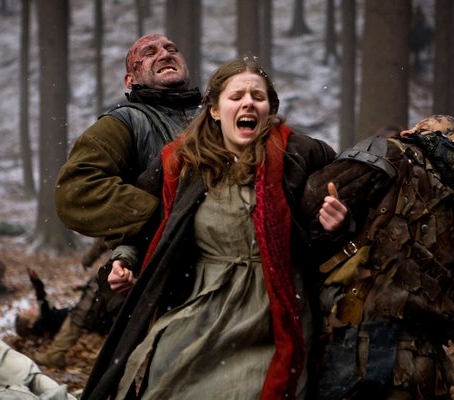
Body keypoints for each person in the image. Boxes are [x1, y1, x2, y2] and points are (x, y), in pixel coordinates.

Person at [80, 58, 347, 400]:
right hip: (199, 304)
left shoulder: (303, 155)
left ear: (269, 109)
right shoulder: (181, 163)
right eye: (236, 96)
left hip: (273, 307)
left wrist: (337, 224)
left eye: (257, 97)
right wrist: (125, 260)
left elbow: (342, 231)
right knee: (166, 383)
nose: (248, 103)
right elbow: (145, 225)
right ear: (216, 111)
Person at [302, 115, 454, 399]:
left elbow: (310, 198)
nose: (408, 131)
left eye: (423, 129)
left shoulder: (394, 153)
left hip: (357, 352)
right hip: (426, 370)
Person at [55, 32, 202, 257]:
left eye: (172, 50)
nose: (165, 55)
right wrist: (163, 216)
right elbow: (75, 191)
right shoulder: (123, 123)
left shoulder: (218, 114)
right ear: (130, 80)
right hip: (167, 264)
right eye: (149, 53)